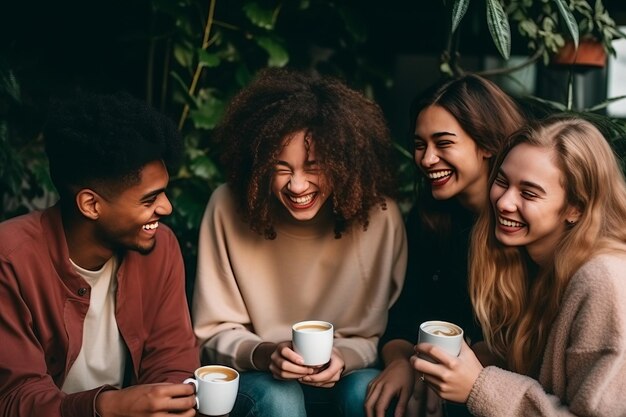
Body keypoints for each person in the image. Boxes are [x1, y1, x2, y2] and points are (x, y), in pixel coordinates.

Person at [191, 68, 408, 417]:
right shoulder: (227, 206)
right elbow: (212, 335)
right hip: (259, 380)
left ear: (345, 162)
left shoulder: (380, 217)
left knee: (363, 392)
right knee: (281, 397)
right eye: (280, 166)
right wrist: (265, 353)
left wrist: (343, 358)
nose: (297, 185)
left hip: (344, 376)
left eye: (314, 166)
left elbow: (371, 338)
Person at [0, 92, 199, 417]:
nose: (166, 208)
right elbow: (12, 399)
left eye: (164, 192)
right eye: (149, 200)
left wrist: (168, 403)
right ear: (91, 204)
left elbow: (173, 361)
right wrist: (106, 406)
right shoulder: (10, 259)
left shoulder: (161, 247)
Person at [412, 116, 626, 416]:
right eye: (501, 182)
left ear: (575, 207)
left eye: (528, 193)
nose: (503, 202)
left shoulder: (605, 279)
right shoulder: (529, 263)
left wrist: (479, 386)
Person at [365, 74, 525, 417]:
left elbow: (520, 342)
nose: (426, 159)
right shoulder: (428, 221)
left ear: (486, 144)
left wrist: (440, 375)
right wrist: (401, 364)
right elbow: (401, 320)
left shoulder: (521, 226)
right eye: (420, 144)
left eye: (443, 143)